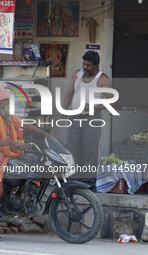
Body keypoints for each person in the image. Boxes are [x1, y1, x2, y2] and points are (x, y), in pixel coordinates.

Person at [0, 82, 49, 241]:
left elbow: (24, 124)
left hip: (6, 155)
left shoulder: (8, 118)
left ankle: (15, 204)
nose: (8, 104)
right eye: (5, 101)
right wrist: (13, 143)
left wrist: (44, 133)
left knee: (28, 168)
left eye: (9, 101)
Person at [62, 50, 112, 190]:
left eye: (89, 65)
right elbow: (69, 93)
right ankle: (72, 182)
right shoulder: (77, 74)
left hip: (92, 119)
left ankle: (89, 183)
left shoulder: (102, 78)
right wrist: (65, 109)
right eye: (84, 64)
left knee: (90, 152)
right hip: (75, 117)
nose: (85, 67)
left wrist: (93, 107)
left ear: (96, 65)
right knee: (72, 150)